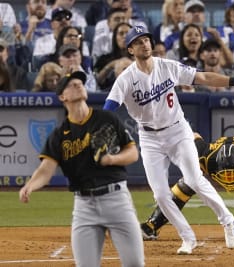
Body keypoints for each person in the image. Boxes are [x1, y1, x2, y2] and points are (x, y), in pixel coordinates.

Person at [103, 25, 234, 254]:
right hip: (149, 138)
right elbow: (110, 106)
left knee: (194, 179)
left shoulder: (166, 66)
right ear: (130, 49)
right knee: (159, 194)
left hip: (178, 131)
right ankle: (187, 237)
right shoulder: (126, 79)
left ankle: (228, 220)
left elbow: (204, 77)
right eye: (138, 41)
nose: (145, 44)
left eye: (146, 39)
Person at [19, 70, 145, 267]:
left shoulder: (106, 119)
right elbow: (46, 169)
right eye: (71, 84)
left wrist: (112, 159)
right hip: (84, 206)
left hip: (117, 200)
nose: (78, 85)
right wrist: (30, 186)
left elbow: (133, 153)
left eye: (80, 82)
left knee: (134, 263)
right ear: (63, 97)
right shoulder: (59, 135)